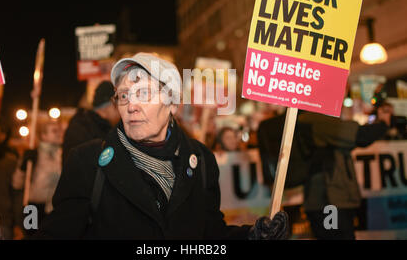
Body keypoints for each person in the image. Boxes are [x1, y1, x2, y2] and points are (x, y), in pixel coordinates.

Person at [33, 52, 288, 239]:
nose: (131, 106)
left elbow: (209, 235)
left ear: (173, 104)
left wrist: (253, 236)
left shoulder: (201, 160)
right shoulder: (88, 162)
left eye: (143, 93)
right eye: (123, 95)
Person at [258, 108, 392, 240]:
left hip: (322, 202)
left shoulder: (305, 119)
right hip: (330, 202)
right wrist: (384, 123)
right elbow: (361, 136)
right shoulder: (316, 120)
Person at [12, 120, 64, 235]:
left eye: (60, 130)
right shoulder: (33, 154)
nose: (59, 133)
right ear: (43, 135)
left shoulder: (63, 154)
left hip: (54, 207)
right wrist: (23, 167)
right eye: (54, 131)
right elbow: (17, 184)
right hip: (33, 206)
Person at [62, 80, 120, 165]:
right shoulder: (84, 127)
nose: (121, 111)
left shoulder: (92, 124)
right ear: (111, 104)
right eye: (119, 105)